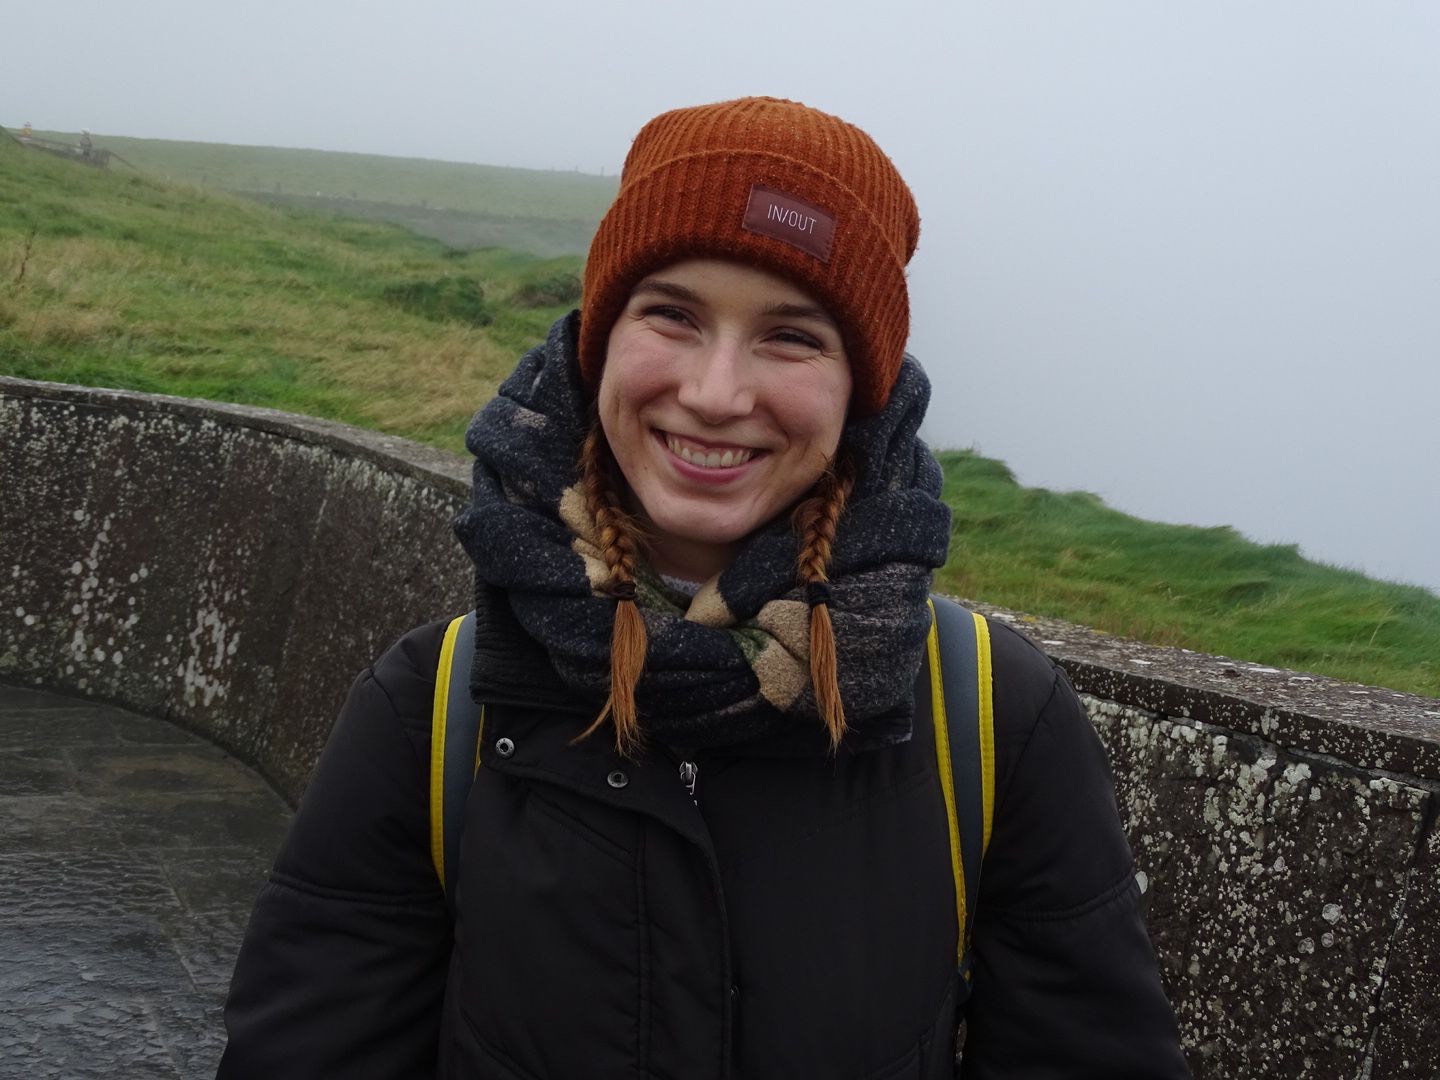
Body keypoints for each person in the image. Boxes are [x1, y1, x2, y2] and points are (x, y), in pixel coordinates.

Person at [220, 96, 1189, 1079]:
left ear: (861, 392)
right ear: (600, 341)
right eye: (672, 315)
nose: (717, 393)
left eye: (792, 336)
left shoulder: (993, 719)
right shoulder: (433, 706)